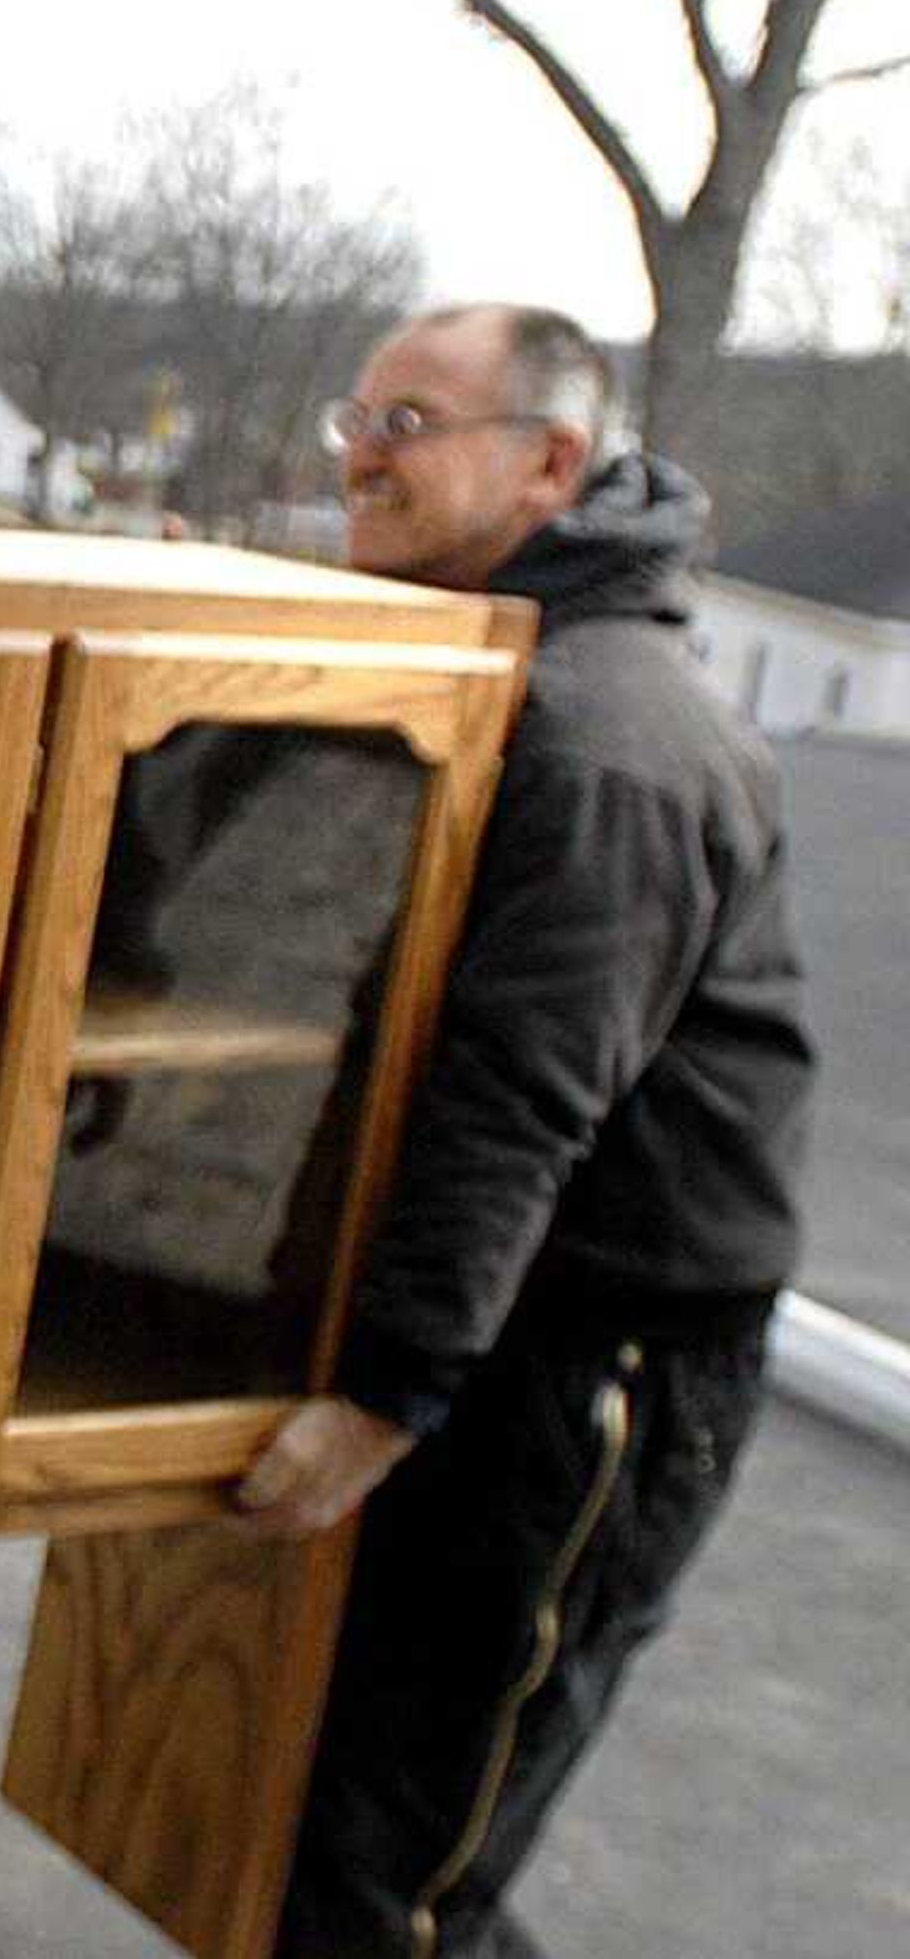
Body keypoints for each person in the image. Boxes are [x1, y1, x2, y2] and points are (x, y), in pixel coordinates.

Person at [243, 304, 816, 1957]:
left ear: (551, 462)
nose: (362, 452)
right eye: (359, 413)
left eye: (410, 420)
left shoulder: (606, 734)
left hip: (601, 1371)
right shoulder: (483, 674)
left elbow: (520, 1093)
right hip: (504, 1327)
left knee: (394, 1877)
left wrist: (387, 1394)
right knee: (312, 1829)